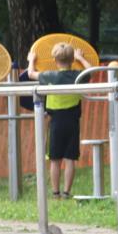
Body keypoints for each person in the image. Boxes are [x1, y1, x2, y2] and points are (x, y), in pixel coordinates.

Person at [27, 42, 92, 199]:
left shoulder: (51, 76)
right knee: (70, 159)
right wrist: (81, 58)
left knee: (55, 159)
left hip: (55, 121)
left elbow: (31, 74)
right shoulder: (78, 75)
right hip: (73, 121)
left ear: (55, 60)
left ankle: (55, 193)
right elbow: (91, 71)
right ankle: (67, 192)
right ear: (72, 60)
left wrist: (31, 60)